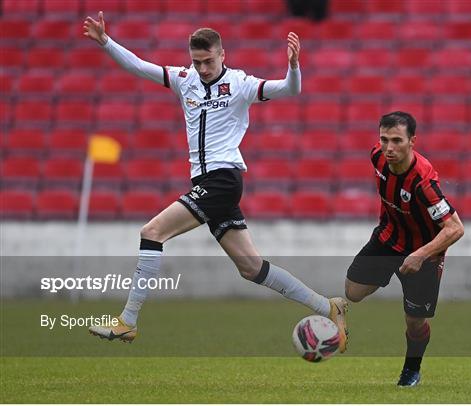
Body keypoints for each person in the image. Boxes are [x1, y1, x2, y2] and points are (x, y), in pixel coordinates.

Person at [83, 12, 348, 351]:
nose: (203, 68)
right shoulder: (184, 79)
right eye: (197, 62)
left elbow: (289, 90)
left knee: (152, 232)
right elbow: (138, 66)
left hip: (223, 180)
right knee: (251, 268)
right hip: (209, 183)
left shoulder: (240, 84)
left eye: (208, 61)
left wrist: (294, 66)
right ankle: (328, 306)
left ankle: (127, 322)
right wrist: (106, 42)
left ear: (223, 55)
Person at [344, 112, 465, 386]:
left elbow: (455, 228)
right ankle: (391, 273)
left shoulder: (424, 185)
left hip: (424, 255)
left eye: (397, 141)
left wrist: (420, 255)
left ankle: (411, 370)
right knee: (352, 292)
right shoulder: (377, 157)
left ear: (412, 142)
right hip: (388, 239)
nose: (389, 148)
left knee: (415, 323)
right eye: (384, 139)